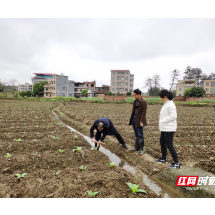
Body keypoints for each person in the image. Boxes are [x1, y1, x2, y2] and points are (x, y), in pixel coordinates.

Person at [155, 90, 181, 169]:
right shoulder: (166, 104)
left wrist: (163, 121)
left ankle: (176, 163)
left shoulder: (171, 104)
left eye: (160, 96)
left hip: (169, 128)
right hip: (164, 128)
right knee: (162, 142)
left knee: (169, 145)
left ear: (165, 97)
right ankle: (163, 158)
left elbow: (173, 116)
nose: (160, 98)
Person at [129, 89, 147, 155]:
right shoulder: (135, 101)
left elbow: (143, 113)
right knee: (136, 134)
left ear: (139, 94)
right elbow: (133, 111)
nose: (134, 96)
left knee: (140, 135)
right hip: (134, 119)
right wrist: (131, 119)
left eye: (135, 95)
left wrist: (141, 121)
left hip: (139, 121)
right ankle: (136, 147)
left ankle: (141, 149)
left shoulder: (144, 102)